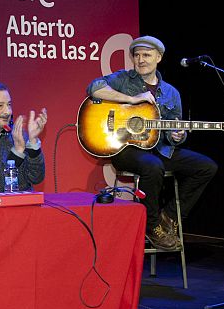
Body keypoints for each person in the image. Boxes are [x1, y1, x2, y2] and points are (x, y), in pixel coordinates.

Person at [86, 35, 217, 250]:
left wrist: (178, 135)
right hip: (126, 149)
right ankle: (152, 225)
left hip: (159, 149)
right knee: (153, 166)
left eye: (146, 55)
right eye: (137, 55)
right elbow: (94, 88)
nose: (141, 60)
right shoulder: (124, 79)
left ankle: (168, 217)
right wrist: (132, 99)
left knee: (206, 167)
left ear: (159, 57)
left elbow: (173, 131)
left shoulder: (172, 93)